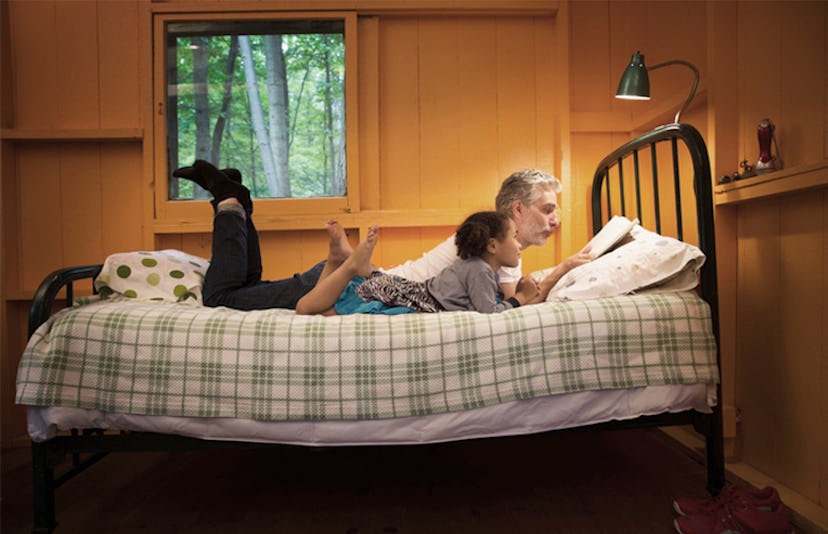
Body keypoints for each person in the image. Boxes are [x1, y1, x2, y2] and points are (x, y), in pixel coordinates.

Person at [175, 161, 589, 311]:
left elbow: (521, 292)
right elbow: (521, 297)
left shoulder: (490, 245)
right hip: (357, 288)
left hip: (359, 283)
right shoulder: (489, 250)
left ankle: (237, 203)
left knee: (246, 289)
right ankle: (230, 203)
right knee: (220, 298)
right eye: (547, 209)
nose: (555, 221)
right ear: (516, 211)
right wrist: (567, 267)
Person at [295, 211, 540, 316]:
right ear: (493, 245)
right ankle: (349, 266)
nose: (519, 245)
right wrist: (521, 297)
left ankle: (337, 259)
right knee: (306, 309)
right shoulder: (480, 270)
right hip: (412, 299)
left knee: (321, 310)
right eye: (514, 237)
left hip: (407, 290)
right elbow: (489, 313)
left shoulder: (475, 266)